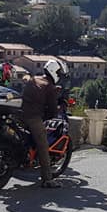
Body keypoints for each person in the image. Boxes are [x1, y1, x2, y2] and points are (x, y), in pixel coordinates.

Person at [22, 58, 68, 188]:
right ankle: (47, 179)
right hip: (33, 117)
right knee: (43, 145)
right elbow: (52, 111)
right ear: (54, 72)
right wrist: (57, 110)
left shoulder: (34, 79)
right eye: (59, 74)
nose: (59, 76)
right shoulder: (49, 87)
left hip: (19, 115)